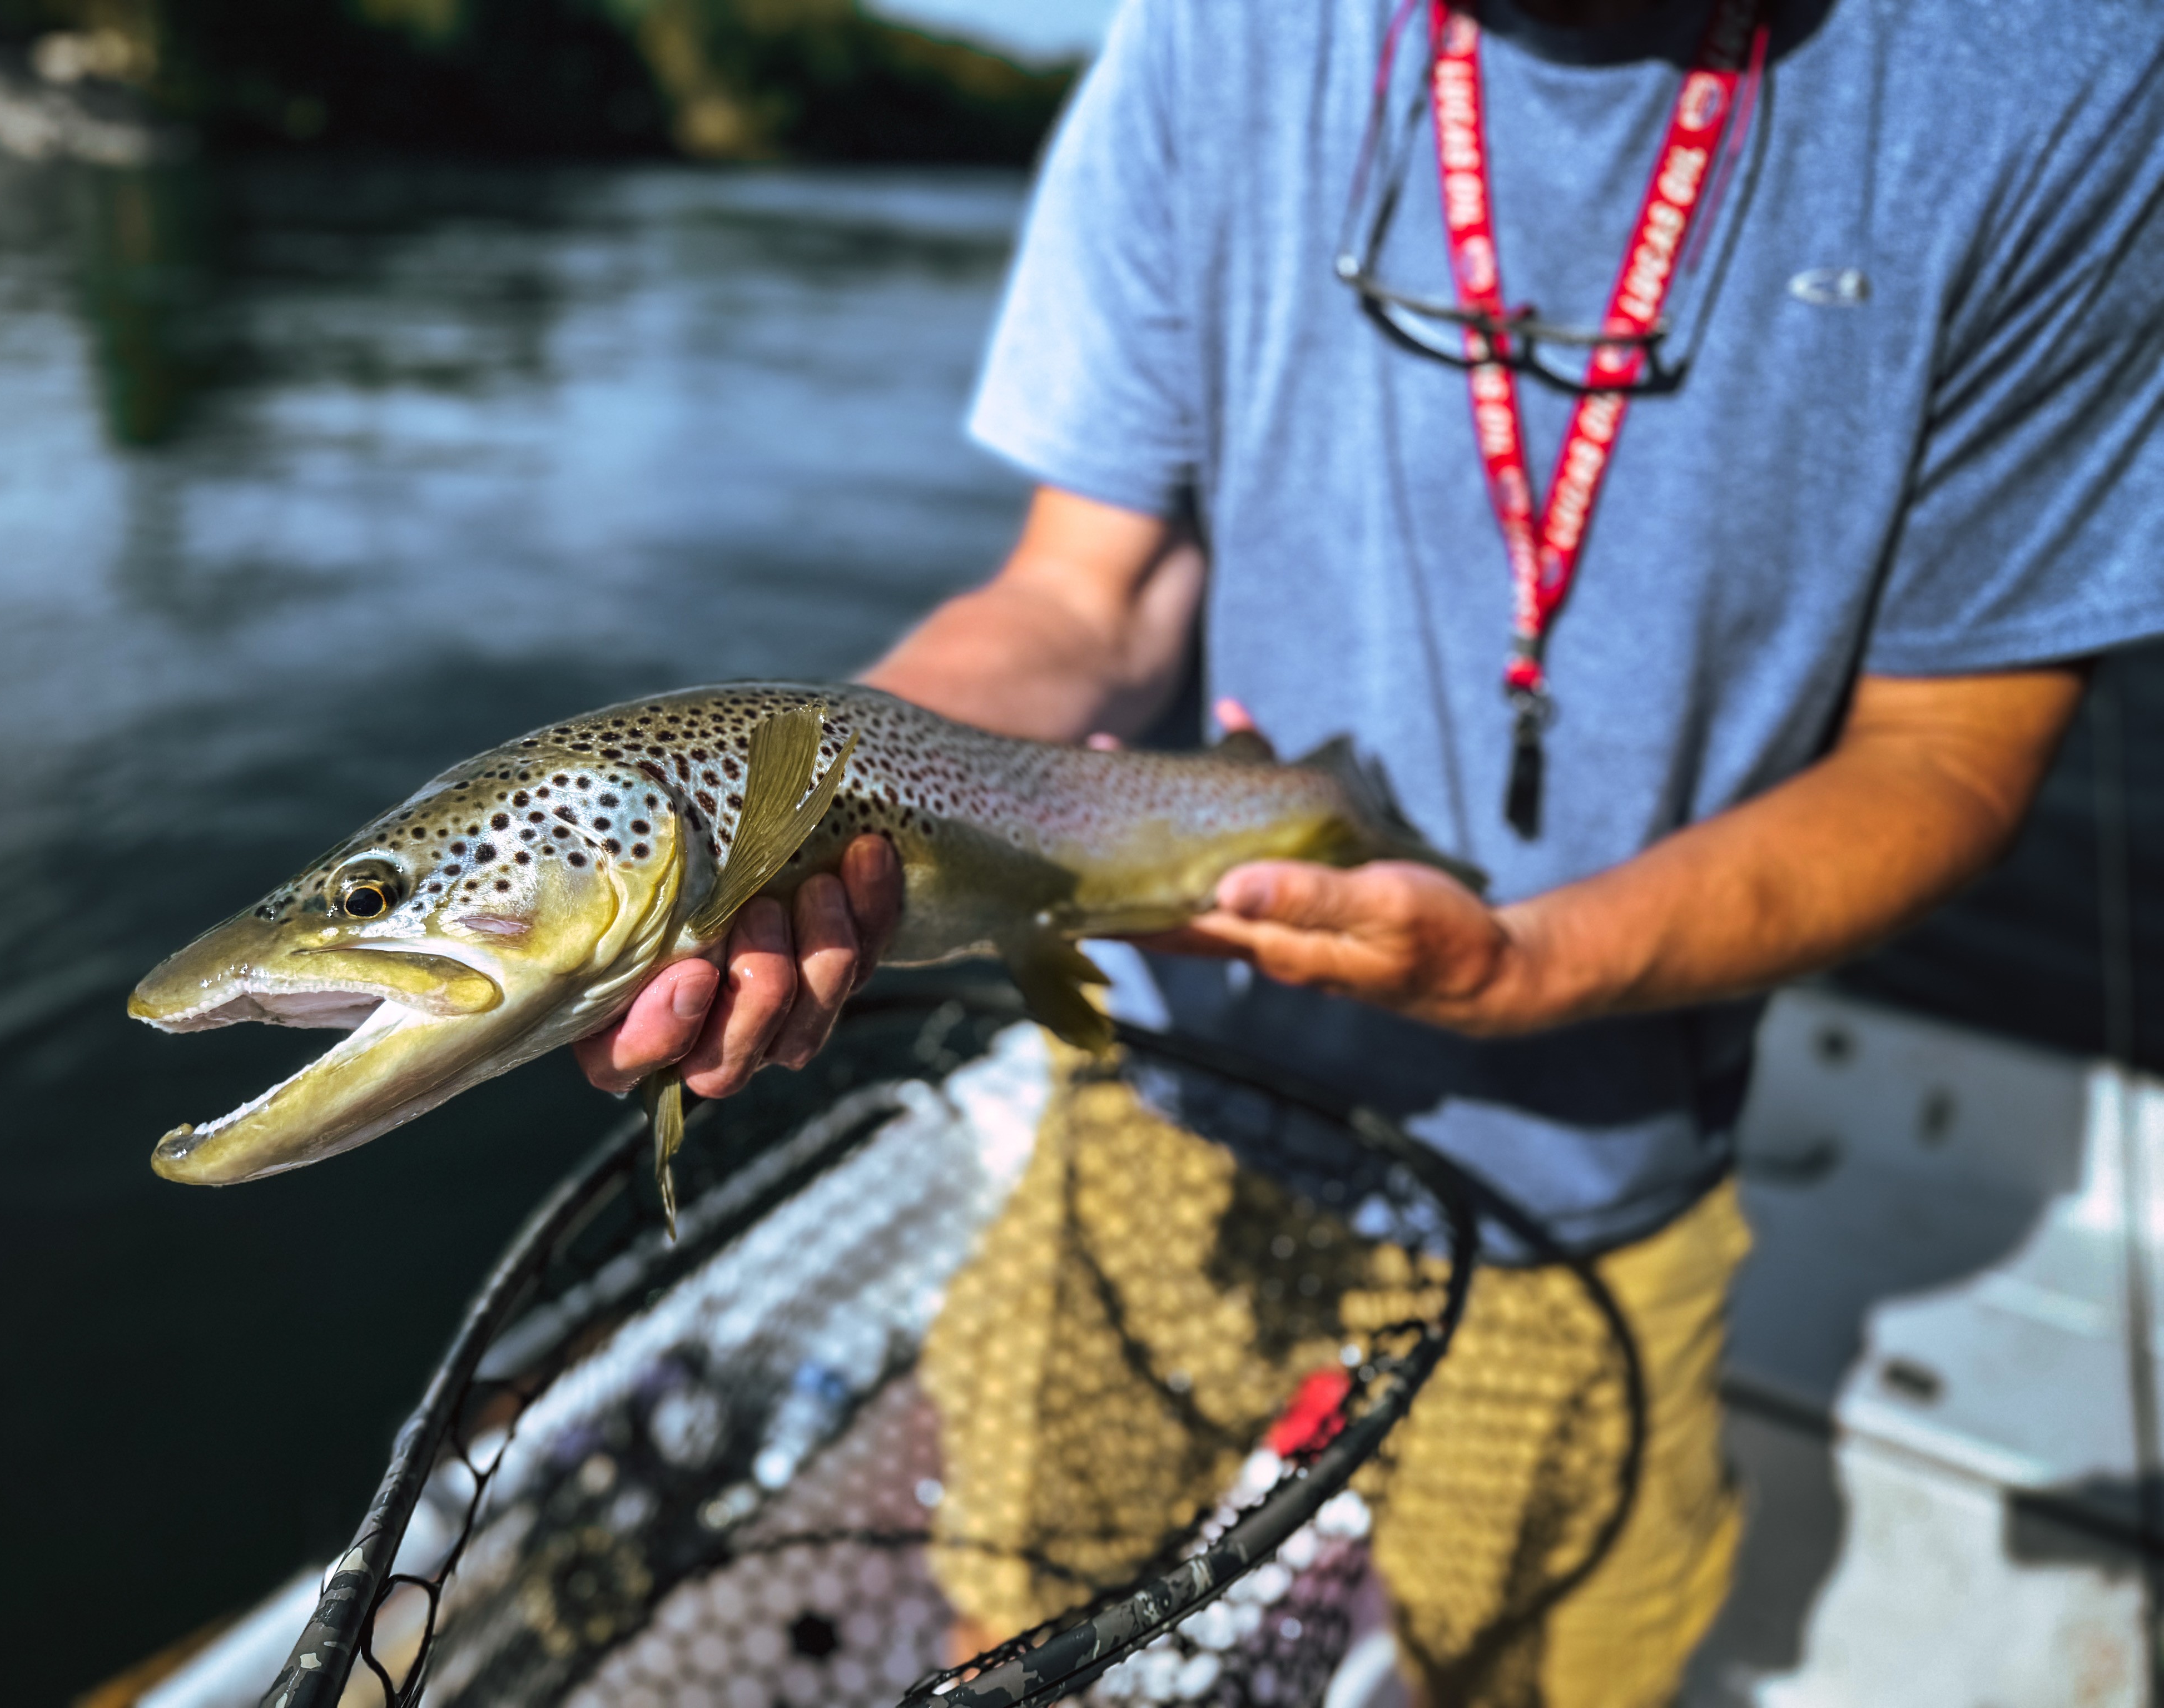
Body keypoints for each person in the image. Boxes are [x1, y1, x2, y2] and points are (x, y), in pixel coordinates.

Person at [578, 0, 2164, 1700]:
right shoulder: (1220, 31)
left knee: (1531, 1661)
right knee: (1024, 1594)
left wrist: (1536, 961)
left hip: (1591, 1147)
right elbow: (1079, 589)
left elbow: (1952, 755)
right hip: (1172, 1087)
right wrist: (826, 806)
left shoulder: (2056, 72)